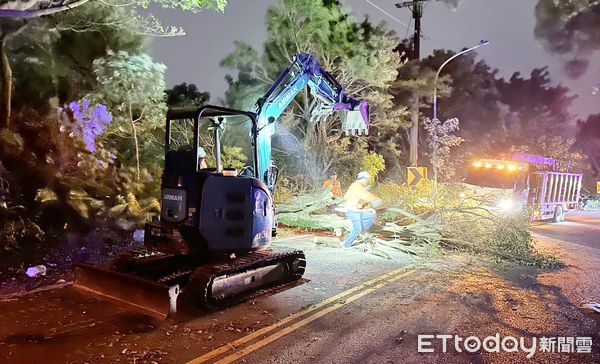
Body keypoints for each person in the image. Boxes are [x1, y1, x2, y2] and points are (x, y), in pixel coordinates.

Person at [342, 171, 383, 249]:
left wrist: (363, 205)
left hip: (355, 210)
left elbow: (347, 196)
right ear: (363, 179)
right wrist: (375, 199)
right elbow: (365, 195)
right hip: (353, 211)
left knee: (371, 213)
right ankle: (346, 245)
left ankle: (363, 234)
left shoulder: (355, 185)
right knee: (358, 228)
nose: (368, 182)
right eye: (367, 180)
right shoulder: (357, 187)